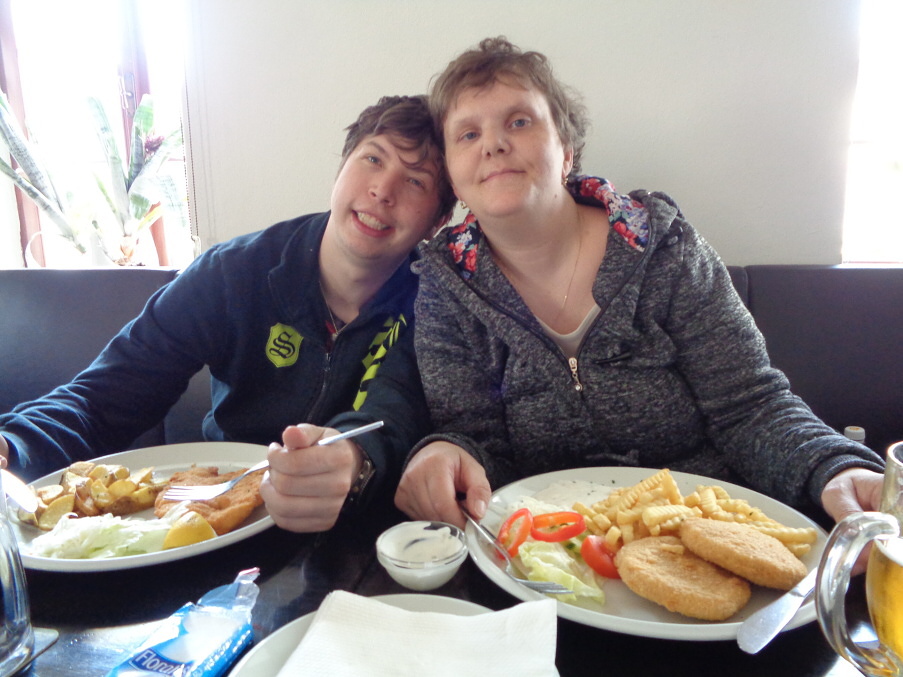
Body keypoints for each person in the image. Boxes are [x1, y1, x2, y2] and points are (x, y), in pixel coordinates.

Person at [394, 37, 885, 532]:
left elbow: (750, 407)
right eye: (468, 134)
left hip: (700, 529)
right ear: (453, 179)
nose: (494, 144)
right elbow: (476, 443)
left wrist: (835, 468)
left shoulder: (665, 246)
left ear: (566, 152)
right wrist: (448, 451)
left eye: (519, 122)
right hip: (548, 546)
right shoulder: (444, 286)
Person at [0, 94, 456, 532]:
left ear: (437, 223)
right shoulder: (232, 273)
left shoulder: (439, 304)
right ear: (342, 166)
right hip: (219, 525)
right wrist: (13, 445)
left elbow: (393, 415)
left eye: (416, 181)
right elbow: (105, 397)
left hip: (366, 540)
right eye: (373, 159)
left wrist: (354, 462)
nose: (382, 190)